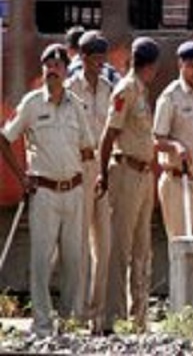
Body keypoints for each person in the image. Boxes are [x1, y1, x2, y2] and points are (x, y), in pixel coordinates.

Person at [0, 44, 95, 335]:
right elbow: (5, 139)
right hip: (44, 192)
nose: (52, 70)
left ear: (66, 71)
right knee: (41, 260)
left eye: (58, 66)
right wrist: (22, 177)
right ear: (43, 70)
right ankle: (42, 322)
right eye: (48, 65)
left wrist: (88, 179)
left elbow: (88, 147)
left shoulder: (76, 105)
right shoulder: (31, 104)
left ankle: (67, 322)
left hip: (74, 191)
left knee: (73, 260)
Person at [97, 36, 160, 334]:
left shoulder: (141, 90)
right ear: (151, 66)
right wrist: (103, 175)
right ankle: (112, 318)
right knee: (120, 249)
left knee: (141, 248)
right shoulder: (126, 90)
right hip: (126, 172)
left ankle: (138, 319)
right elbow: (109, 136)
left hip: (143, 174)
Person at [64, 30, 114, 331]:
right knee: (79, 244)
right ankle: (77, 313)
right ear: (81, 57)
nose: (99, 63)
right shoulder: (70, 90)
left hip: (102, 170)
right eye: (94, 58)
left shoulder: (108, 88)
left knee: (103, 246)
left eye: (101, 58)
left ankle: (98, 315)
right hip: (79, 170)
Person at [154, 40, 193, 238]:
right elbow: (156, 140)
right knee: (182, 248)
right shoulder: (170, 97)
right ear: (180, 65)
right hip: (180, 184)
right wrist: (175, 146)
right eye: (191, 66)